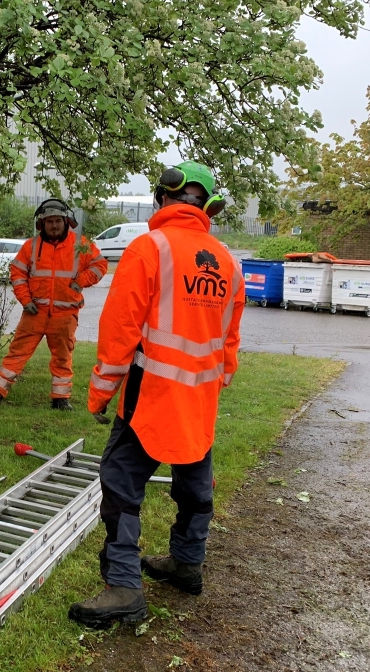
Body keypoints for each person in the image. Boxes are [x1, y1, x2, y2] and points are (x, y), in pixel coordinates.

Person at [68, 160, 245, 627]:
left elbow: (120, 330)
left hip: (151, 397)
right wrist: (215, 383)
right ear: (207, 206)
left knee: (121, 483)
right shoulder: (228, 262)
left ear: (164, 196)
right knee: (195, 485)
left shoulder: (150, 248)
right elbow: (229, 340)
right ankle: (187, 563)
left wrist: (100, 392)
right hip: (199, 401)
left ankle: (124, 586)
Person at [0, 199, 107, 409]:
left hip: (64, 314)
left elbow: (100, 265)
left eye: (58, 221)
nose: (54, 225)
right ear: (42, 223)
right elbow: (17, 273)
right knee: (17, 352)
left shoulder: (80, 244)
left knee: (62, 358)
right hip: (35, 312)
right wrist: (25, 300)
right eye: (49, 221)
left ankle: (61, 399)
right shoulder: (31, 246)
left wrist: (81, 281)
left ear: (66, 221)